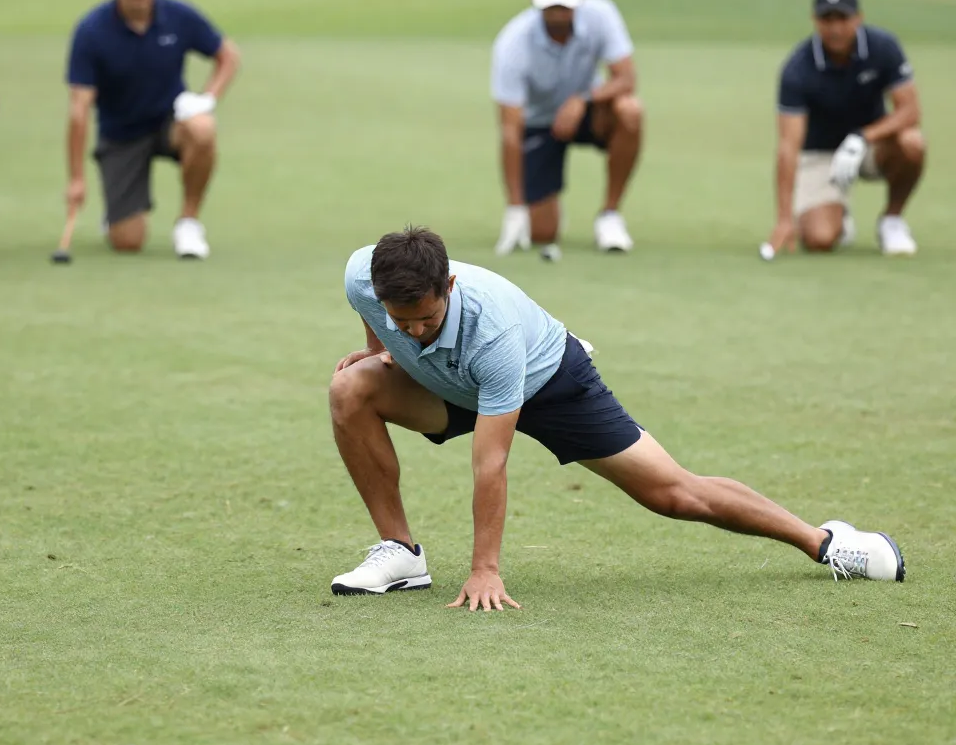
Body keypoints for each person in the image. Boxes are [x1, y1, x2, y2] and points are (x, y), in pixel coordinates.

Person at [329, 226, 905, 610]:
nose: (413, 329)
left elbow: (491, 461)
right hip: (451, 382)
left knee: (675, 495)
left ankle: (824, 541)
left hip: (548, 381)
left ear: (449, 286)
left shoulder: (494, 328)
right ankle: (401, 556)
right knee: (351, 388)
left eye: (426, 318)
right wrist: (384, 349)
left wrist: (484, 569)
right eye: (400, 320)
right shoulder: (364, 276)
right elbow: (381, 322)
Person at [65, 0, 241, 259]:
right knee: (128, 241)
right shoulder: (91, 31)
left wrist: (207, 99)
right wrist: (76, 179)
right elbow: (79, 110)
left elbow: (228, 56)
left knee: (202, 127)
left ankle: (188, 223)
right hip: (120, 135)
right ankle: (116, 215)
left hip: (169, 122)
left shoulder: (178, 16)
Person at [490, 0, 644, 261]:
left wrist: (583, 99)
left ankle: (610, 216)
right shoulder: (513, 43)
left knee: (630, 110)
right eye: (551, 7)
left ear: (579, 1)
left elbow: (627, 78)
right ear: (538, 4)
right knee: (542, 234)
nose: (559, 14)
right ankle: (533, 214)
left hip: (589, 111)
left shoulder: (601, 14)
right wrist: (515, 206)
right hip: (538, 123)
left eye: (565, 6)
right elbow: (510, 129)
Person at [766, 0, 925, 257]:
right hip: (820, 153)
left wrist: (862, 137)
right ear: (815, 21)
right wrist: (783, 219)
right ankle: (839, 216)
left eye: (843, 18)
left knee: (912, 142)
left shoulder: (883, 47)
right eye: (827, 19)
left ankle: (892, 220)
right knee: (819, 240)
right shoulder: (798, 68)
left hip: (870, 147)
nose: (835, 28)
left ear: (858, 18)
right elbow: (788, 146)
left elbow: (910, 111)